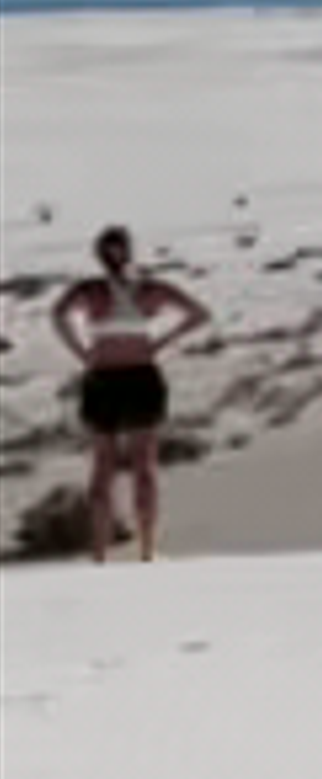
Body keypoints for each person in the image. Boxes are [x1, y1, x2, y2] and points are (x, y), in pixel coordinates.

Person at [54, 223, 217, 562]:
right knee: (141, 466)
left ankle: (102, 553)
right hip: (138, 373)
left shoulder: (90, 291)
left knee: (105, 467)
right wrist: (159, 342)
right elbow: (199, 314)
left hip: (104, 374)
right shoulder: (149, 290)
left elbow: (58, 315)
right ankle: (145, 549)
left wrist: (82, 351)